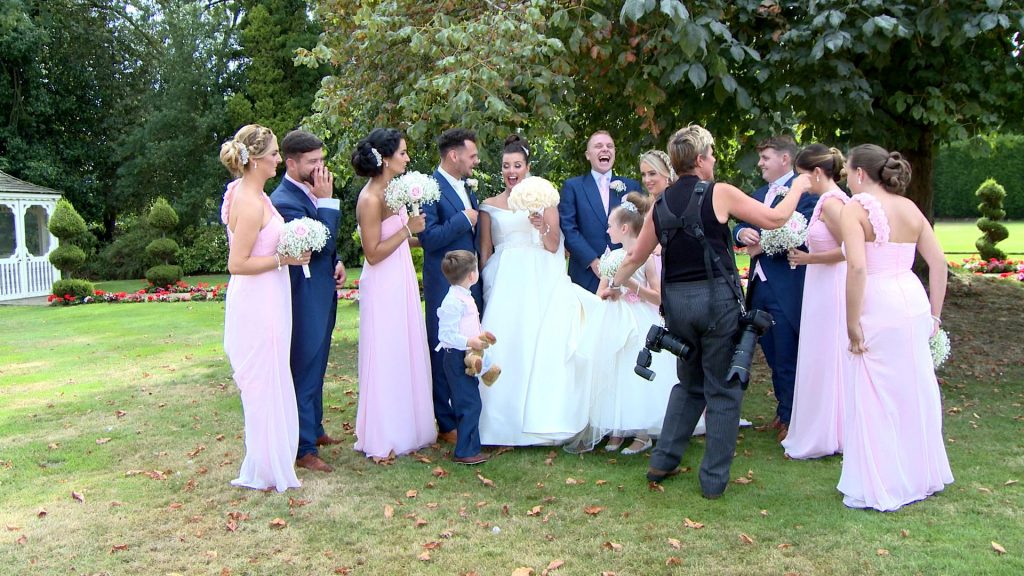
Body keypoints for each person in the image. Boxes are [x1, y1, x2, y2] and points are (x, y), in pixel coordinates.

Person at [604, 124, 810, 499]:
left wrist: (612, 283)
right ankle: (713, 480)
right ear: (699, 159)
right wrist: (797, 186)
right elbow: (776, 220)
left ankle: (662, 461)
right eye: (711, 154)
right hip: (716, 303)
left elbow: (635, 256)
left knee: (689, 383)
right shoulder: (721, 193)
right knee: (724, 389)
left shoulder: (661, 204)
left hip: (678, 307)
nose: (714, 160)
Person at [837, 144, 953, 511]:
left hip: (878, 302)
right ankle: (919, 474)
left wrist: (852, 321)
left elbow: (857, 268)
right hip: (912, 301)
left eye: (847, 173)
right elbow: (939, 264)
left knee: (874, 391)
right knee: (913, 388)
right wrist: (934, 315)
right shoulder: (910, 207)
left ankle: (882, 480)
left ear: (859, 174)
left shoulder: (855, 209)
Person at [478, 135, 598, 446]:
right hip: (504, 281)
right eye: (506, 166)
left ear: (528, 167)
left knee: (534, 342)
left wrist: (539, 224)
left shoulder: (544, 199)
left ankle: (540, 418)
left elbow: (554, 244)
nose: (511, 171)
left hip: (537, 279)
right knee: (505, 341)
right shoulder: (489, 206)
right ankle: (499, 424)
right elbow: (485, 251)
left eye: (517, 165)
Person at [219, 124, 307, 492]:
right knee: (263, 378)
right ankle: (267, 468)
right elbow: (236, 263)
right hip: (258, 299)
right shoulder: (250, 203)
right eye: (272, 154)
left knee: (271, 375)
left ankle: (271, 460)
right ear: (254, 160)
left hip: (269, 294)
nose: (277, 159)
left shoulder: (246, 190)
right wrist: (282, 259)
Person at [351, 128, 436, 459]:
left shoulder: (394, 192)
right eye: (402, 153)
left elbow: (400, 240)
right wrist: (407, 229)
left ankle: (410, 427)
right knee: (386, 351)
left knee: (405, 347)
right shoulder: (371, 198)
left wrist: (423, 237)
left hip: (401, 276)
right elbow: (372, 252)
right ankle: (385, 432)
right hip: (382, 282)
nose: (407, 158)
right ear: (385, 159)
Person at [269, 130, 346, 473]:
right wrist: (327, 201)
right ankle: (303, 447)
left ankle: (315, 428)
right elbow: (318, 242)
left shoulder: (312, 192)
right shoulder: (284, 199)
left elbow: (327, 245)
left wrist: (339, 260)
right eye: (312, 162)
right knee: (304, 365)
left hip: (322, 289)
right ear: (291, 163)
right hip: (302, 296)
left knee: (318, 364)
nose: (320, 167)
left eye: (321, 160)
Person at [733, 135, 818, 442]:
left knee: (786, 351)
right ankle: (783, 411)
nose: (760, 163)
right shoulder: (758, 193)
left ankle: (792, 417)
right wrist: (742, 232)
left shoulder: (806, 193)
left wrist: (761, 248)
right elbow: (739, 222)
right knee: (769, 351)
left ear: (785, 159)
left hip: (786, 285)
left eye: (765, 158)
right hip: (759, 287)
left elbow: (802, 232)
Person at [582, 192, 675, 455]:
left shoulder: (644, 258)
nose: (607, 229)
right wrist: (610, 291)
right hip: (615, 318)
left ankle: (642, 432)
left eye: (610, 225)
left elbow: (657, 297)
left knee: (636, 371)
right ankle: (618, 428)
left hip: (640, 319)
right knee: (615, 370)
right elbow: (602, 291)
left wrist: (632, 285)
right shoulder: (611, 256)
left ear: (624, 228)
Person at [782, 145, 850, 460]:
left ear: (817, 174)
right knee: (821, 355)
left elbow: (852, 249)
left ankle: (830, 431)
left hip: (831, 286)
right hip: (820, 284)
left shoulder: (834, 204)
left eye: (802, 177)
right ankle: (827, 427)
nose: (801, 183)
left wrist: (810, 258)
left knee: (828, 354)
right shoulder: (827, 201)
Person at [420, 128, 482, 445]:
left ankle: (466, 415)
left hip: (468, 281)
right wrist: (464, 218)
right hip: (444, 282)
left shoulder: (464, 185)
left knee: (467, 346)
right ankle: (446, 423)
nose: (476, 160)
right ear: (454, 155)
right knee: (446, 348)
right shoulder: (429, 189)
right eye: (472, 155)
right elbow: (428, 238)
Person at [559, 131, 642, 293]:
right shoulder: (573, 187)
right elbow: (569, 228)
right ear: (588, 155)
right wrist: (593, 262)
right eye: (598, 146)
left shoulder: (632, 186)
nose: (605, 149)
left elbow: (640, 228)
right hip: (585, 273)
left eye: (609, 146)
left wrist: (625, 262)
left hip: (626, 273)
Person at [436, 250, 491, 464]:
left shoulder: (465, 297)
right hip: (456, 357)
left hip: (468, 356)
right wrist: (470, 342)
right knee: (468, 403)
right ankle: (465, 451)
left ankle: (471, 447)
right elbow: (446, 335)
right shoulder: (453, 302)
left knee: (471, 401)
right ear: (471, 275)